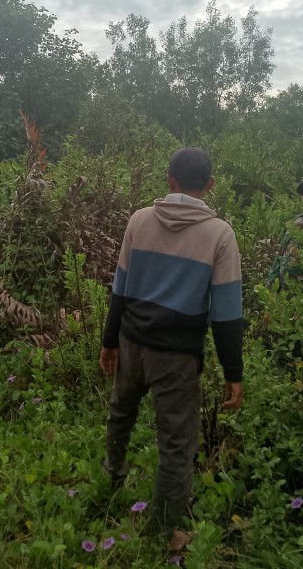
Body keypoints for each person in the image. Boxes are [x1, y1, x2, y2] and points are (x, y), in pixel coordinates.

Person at [99, 147, 244, 551]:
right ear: (210, 186)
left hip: (131, 342)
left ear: (170, 181)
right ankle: (163, 532)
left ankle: (111, 480)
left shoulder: (139, 221)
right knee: (177, 443)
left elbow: (120, 288)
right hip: (177, 357)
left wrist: (109, 341)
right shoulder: (220, 234)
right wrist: (234, 374)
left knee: (121, 412)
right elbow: (227, 315)